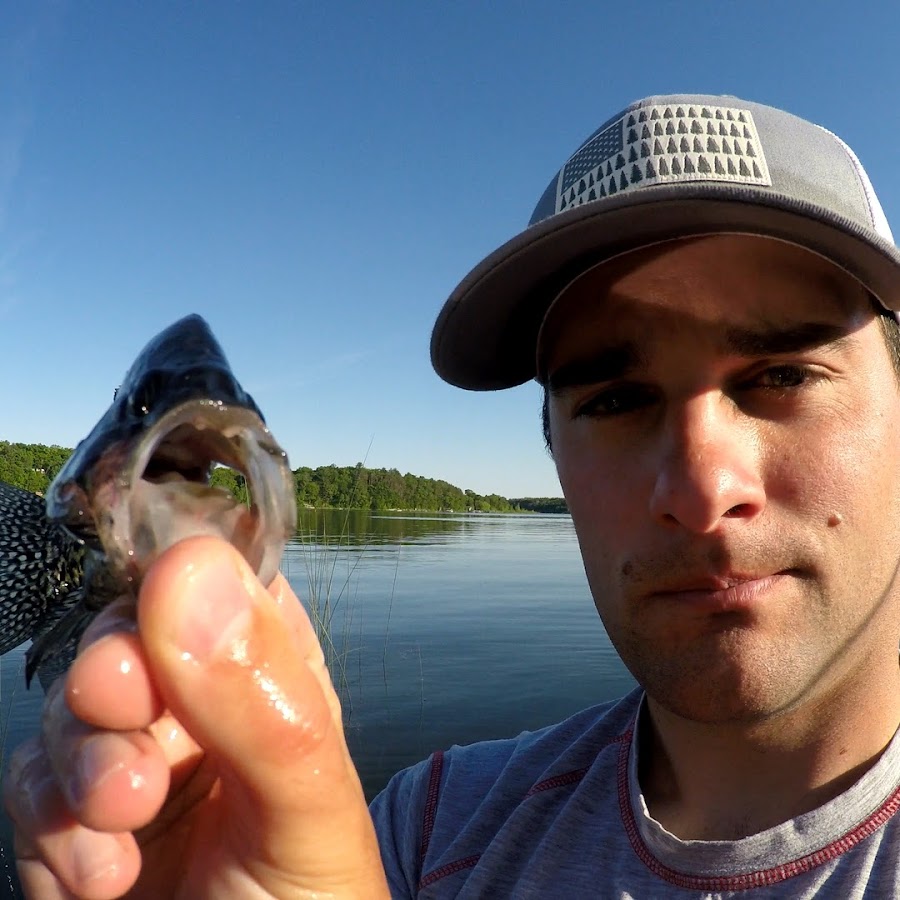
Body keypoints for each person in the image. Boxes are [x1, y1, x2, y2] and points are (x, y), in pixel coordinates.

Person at [5, 92, 900, 898]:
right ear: (555, 456)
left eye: (783, 373)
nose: (703, 491)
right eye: (616, 399)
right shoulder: (422, 834)